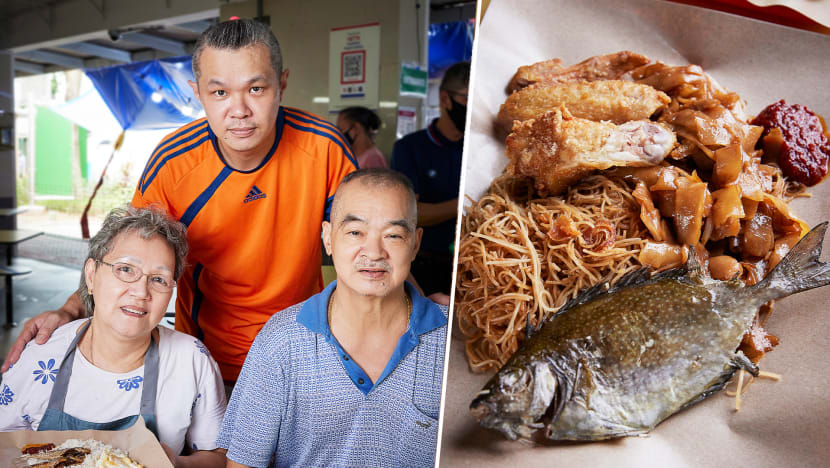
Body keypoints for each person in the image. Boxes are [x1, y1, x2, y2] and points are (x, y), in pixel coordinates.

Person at [2, 19, 357, 385]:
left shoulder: (325, 148)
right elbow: (126, 258)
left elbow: (369, 242)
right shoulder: (174, 163)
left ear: (281, 84)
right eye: (219, 93)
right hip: (208, 364)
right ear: (197, 92)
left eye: (256, 88)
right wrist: (68, 310)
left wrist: (414, 307)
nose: (239, 109)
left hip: (306, 355)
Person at [217, 168, 448, 468]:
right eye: (355, 232)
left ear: (415, 244)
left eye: (393, 235)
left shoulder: (450, 340)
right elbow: (242, 464)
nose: (374, 252)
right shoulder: (280, 341)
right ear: (328, 238)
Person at [0, 207, 226, 468]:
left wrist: (177, 464)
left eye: (159, 279)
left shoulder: (192, 361)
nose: (141, 292)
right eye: (126, 269)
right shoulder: (40, 355)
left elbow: (221, 459)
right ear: (91, 276)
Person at [391, 61, 469, 297]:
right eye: (466, 99)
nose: (471, 106)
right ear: (445, 99)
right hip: (428, 265)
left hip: (469, 264)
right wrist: (464, 203)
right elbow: (411, 213)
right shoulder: (410, 148)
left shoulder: (475, 146)